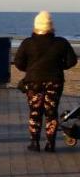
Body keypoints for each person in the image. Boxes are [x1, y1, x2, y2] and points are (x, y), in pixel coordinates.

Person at [13, 11, 77, 152]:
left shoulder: (27, 43)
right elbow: (72, 61)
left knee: (35, 112)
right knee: (51, 112)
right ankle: (50, 144)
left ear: (36, 26)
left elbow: (18, 63)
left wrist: (29, 69)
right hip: (54, 81)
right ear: (51, 26)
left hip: (33, 81)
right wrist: (60, 66)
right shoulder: (61, 43)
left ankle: (35, 143)